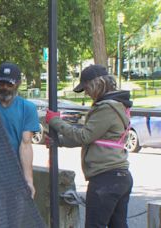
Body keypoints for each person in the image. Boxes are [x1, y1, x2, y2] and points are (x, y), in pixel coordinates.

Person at [45, 64, 133, 228]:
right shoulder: (117, 104)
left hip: (105, 179)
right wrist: (59, 141)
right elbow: (92, 137)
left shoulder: (107, 108)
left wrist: (55, 121)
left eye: (86, 87)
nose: (86, 92)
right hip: (119, 177)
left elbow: (84, 136)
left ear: (96, 83)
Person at [0, 62, 41, 198]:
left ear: (18, 83)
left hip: (16, 176)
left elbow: (25, 144)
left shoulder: (28, 108)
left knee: (16, 218)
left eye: (9, 84)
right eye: (1, 83)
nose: (5, 88)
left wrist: (28, 180)